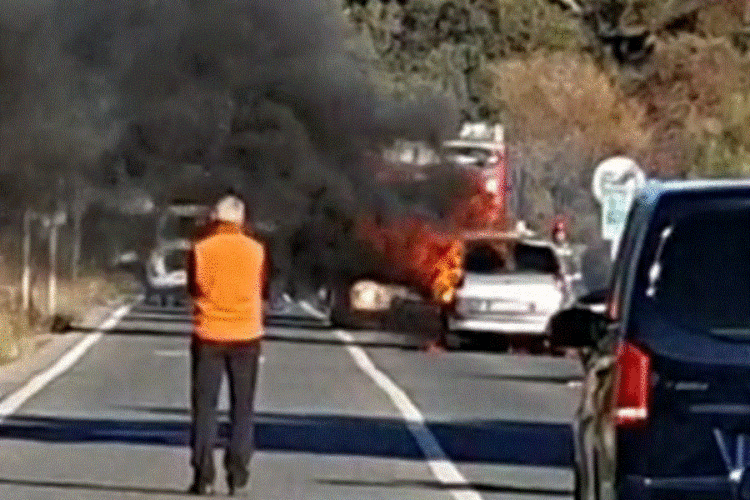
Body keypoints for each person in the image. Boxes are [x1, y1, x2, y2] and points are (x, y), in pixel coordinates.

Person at [186, 194, 268, 496]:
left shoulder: (201, 249)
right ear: (241, 219)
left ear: (214, 218)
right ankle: (238, 475)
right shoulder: (256, 250)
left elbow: (193, 287)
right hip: (246, 333)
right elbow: (263, 287)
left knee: (205, 408)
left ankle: (203, 474)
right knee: (242, 408)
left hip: (208, 332)